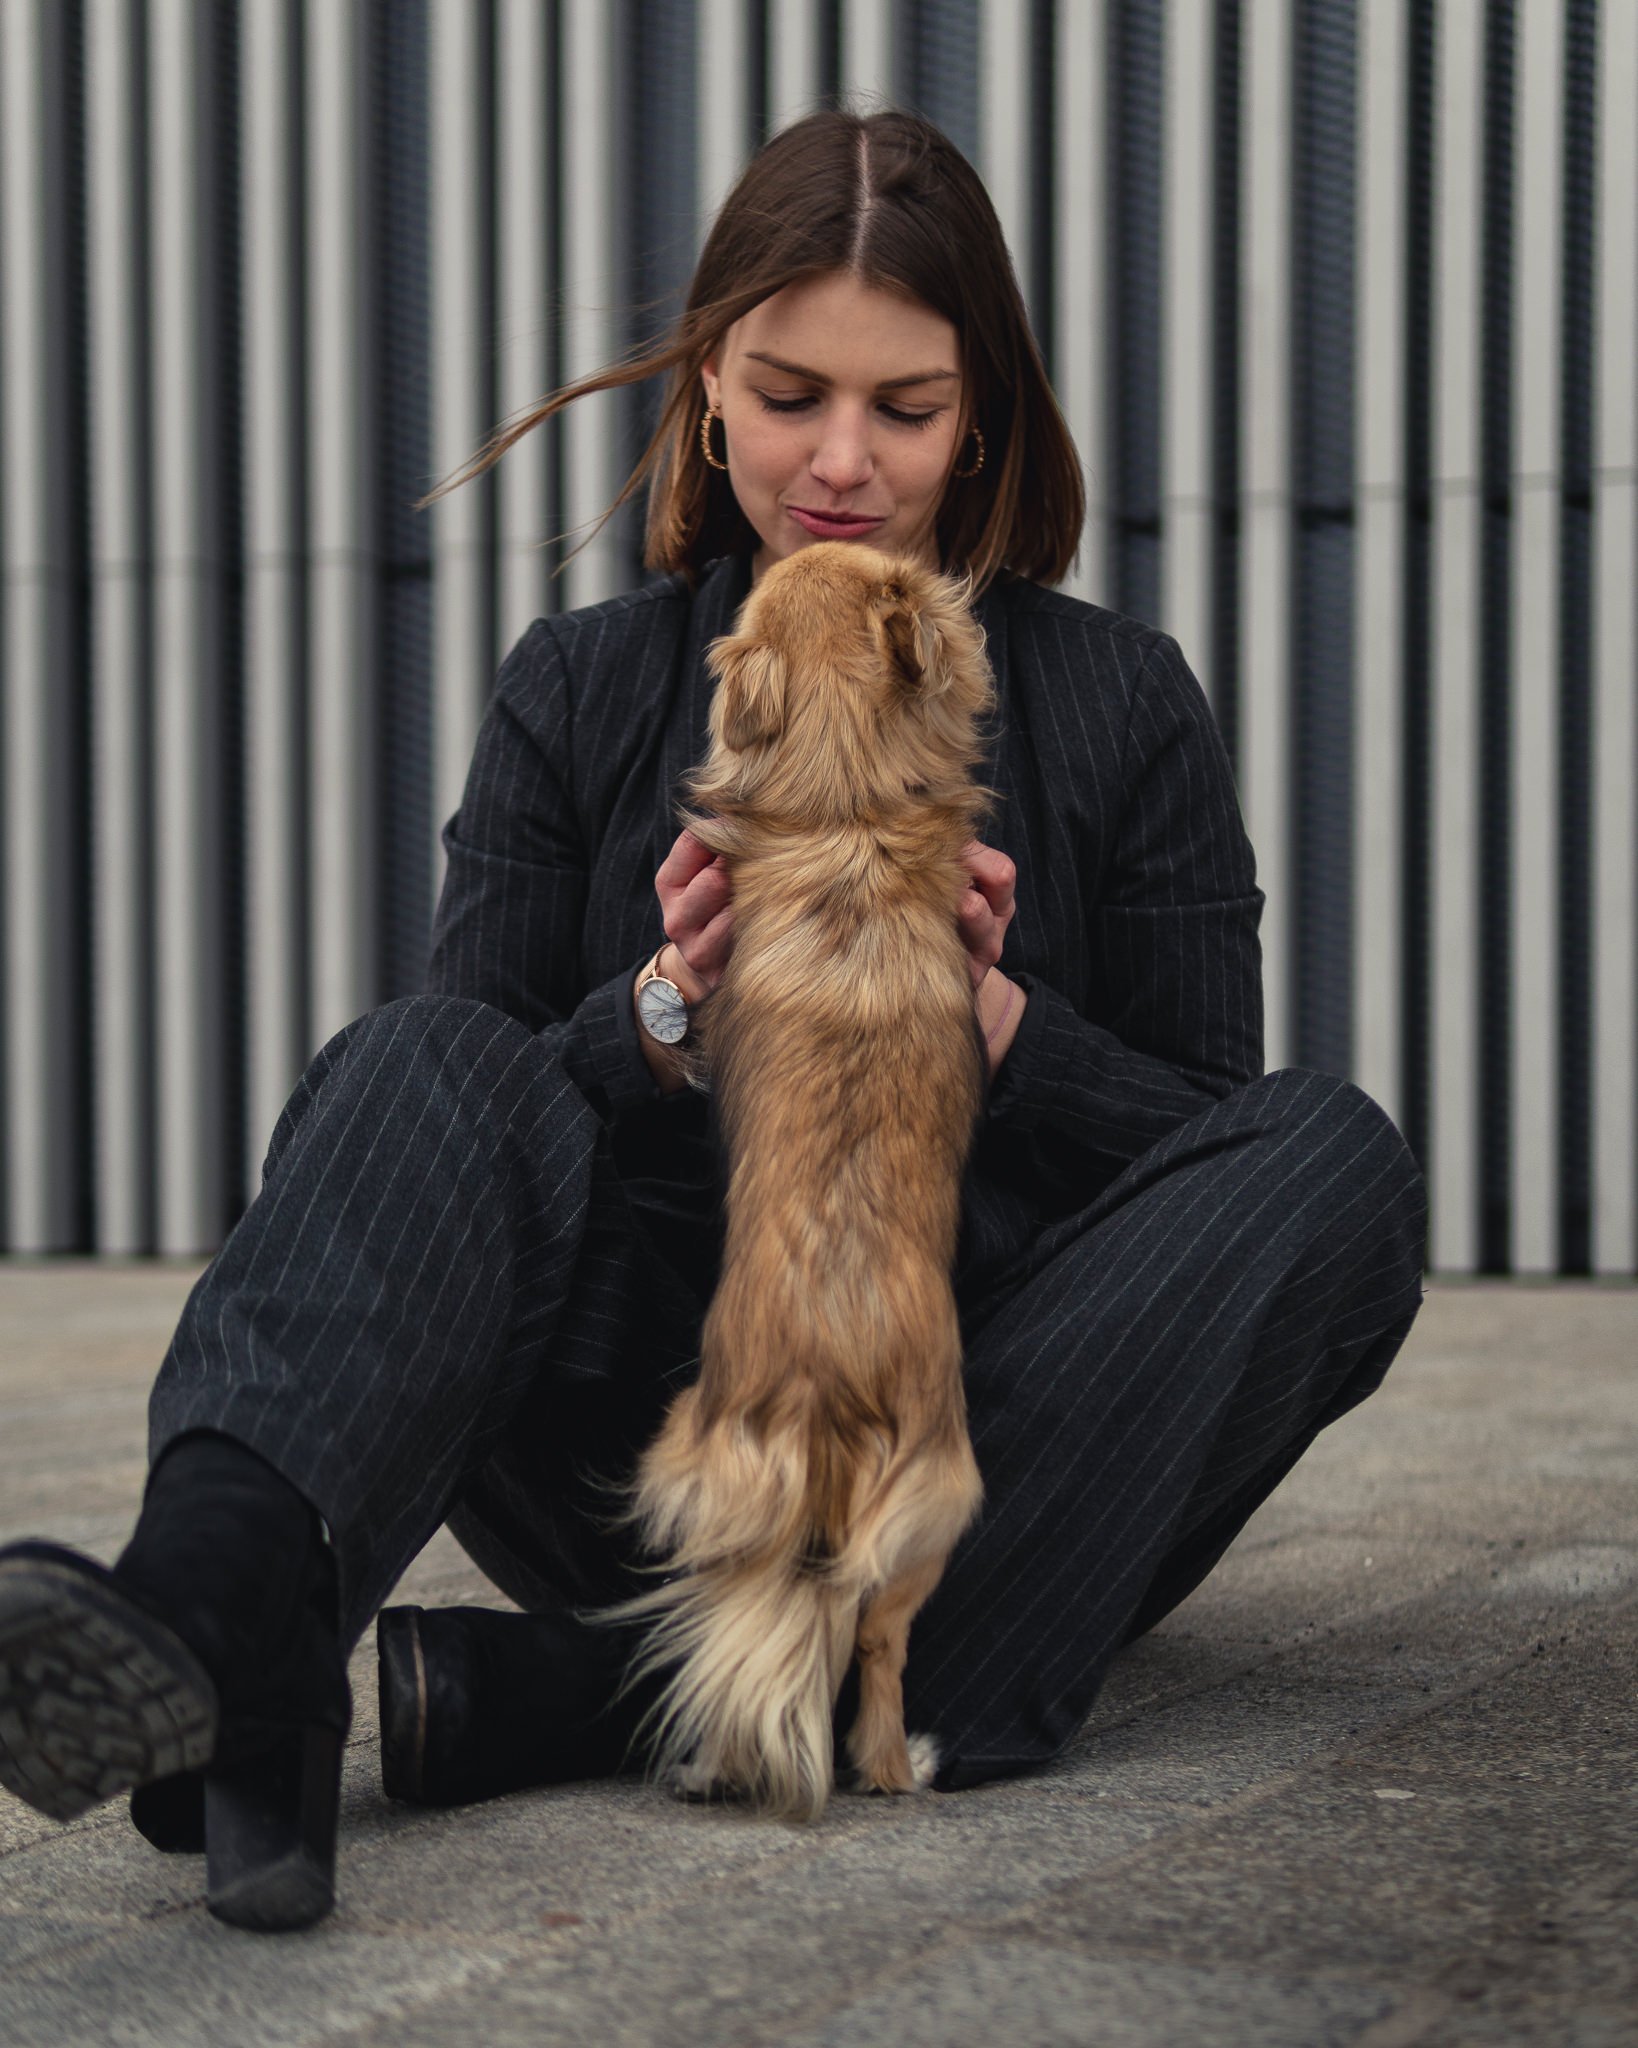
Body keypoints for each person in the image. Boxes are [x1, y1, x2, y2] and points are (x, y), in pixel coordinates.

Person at [0, 107, 1428, 1932]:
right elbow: (459, 1127)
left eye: (904, 408)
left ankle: (578, 1686)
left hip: (967, 1460)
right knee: (407, 1057)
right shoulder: (583, 686)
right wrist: (659, 1011)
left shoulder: (1120, 699)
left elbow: (1210, 1154)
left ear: (979, 407)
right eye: (788, 395)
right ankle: (216, 1595)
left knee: (1338, 1158)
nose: (841, 461)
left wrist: (1003, 1029)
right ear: (706, 392)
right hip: (630, 1450)